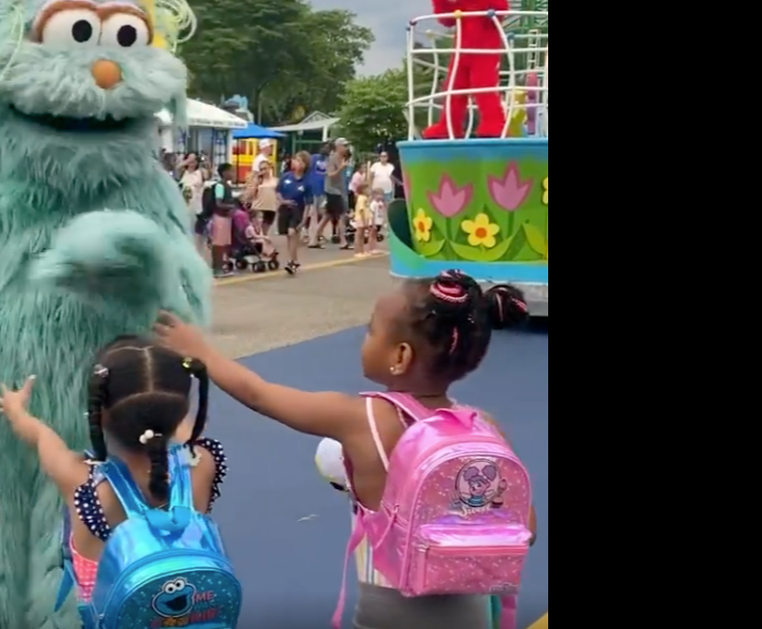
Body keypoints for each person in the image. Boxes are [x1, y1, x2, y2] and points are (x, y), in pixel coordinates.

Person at [152, 270, 538, 629]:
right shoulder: (484, 425)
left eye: (371, 331)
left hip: (390, 613)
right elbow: (527, 530)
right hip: (469, 612)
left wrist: (201, 352)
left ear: (400, 356)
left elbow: (259, 395)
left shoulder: (365, 418)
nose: (365, 338)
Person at [0, 336, 228, 610]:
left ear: (99, 414)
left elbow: (40, 436)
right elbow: (183, 427)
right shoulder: (203, 462)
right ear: (183, 410)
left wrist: (16, 410)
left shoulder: (83, 483)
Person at [276, 152, 313, 275]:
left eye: (300, 161)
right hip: (285, 209)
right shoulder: (286, 177)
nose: (296, 163)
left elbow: (308, 203)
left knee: (292, 233)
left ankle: (292, 261)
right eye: (295, 160)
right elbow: (278, 192)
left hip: (298, 211)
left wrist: (304, 219)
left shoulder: (307, 182)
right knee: (288, 236)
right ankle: (294, 260)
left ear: (305, 166)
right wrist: (283, 201)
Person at [314, 138, 351, 251]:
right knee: (340, 215)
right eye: (344, 146)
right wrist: (341, 168)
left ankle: (314, 239)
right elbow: (330, 174)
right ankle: (343, 241)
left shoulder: (344, 158)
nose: (346, 148)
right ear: (338, 147)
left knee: (327, 215)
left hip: (339, 190)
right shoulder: (332, 158)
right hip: (332, 190)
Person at [208, 163, 238, 278]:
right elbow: (218, 203)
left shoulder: (227, 185)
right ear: (224, 173)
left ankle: (221, 266)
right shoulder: (220, 186)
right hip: (220, 218)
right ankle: (217, 269)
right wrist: (231, 206)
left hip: (225, 218)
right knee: (218, 245)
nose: (233, 174)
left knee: (224, 244)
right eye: (231, 171)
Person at [350, 163, 379, 257]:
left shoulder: (365, 198)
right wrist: (364, 220)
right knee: (359, 235)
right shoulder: (361, 198)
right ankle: (358, 251)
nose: (369, 191)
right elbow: (361, 210)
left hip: (365, 218)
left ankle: (362, 251)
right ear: (363, 190)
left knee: (362, 236)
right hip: (360, 218)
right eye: (367, 189)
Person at [244, 159, 279, 234]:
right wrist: (255, 183)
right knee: (258, 230)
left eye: (265, 168)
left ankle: (263, 244)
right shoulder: (257, 180)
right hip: (259, 207)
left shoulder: (276, 180)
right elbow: (251, 194)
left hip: (270, 208)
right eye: (261, 169)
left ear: (269, 168)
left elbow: (278, 193)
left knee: (265, 231)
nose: (264, 171)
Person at [304, 144, 329, 244]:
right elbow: (308, 169)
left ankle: (319, 233)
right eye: (324, 147)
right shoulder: (314, 158)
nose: (325, 149)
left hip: (323, 189)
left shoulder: (329, 160)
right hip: (313, 188)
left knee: (321, 212)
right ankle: (307, 233)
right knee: (311, 213)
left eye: (327, 148)